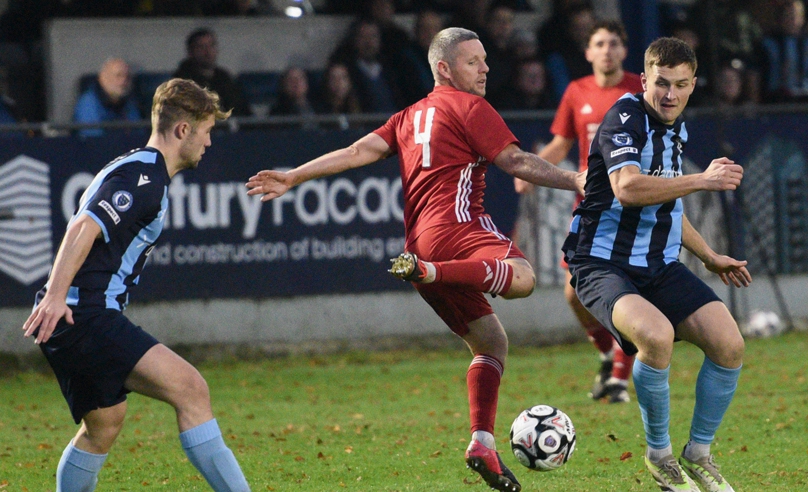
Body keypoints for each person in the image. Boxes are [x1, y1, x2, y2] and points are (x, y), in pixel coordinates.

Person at [247, 27, 583, 492]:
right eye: (474, 62)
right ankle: (434, 273)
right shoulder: (470, 107)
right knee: (524, 277)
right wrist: (578, 180)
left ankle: (482, 442)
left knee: (490, 343)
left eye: (485, 59)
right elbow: (517, 163)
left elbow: (356, 151)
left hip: (418, 246)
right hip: (458, 234)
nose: (485, 68)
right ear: (444, 68)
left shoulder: (408, 116)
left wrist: (295, 176)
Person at [22, 78, 250, 492]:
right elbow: (82, 227)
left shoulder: (140, 168)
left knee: (103, 426)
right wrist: (56, 297)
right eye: (207, 132)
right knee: (191, 389)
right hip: (84, 315)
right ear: (183, 130)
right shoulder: (145, 177)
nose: (209, 143)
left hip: (73, 317)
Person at [562, 37, 749, 492]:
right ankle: (660, 455)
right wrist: (702, 180)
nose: (670, 94)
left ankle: (699, 453)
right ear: (643, 79)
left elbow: (668, 207)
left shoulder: (675, 129)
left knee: (729, 344)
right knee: (656, 336)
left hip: (659, 264)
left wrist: (707, 256)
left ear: (692, 85)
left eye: (681, 85)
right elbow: (627, 188)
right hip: (602, 264)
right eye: (661, 83)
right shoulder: (623, 118)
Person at [515, 20, 643, 404]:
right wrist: (530, 171)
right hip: (591, 205)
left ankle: (619, 380)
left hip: (631, 204)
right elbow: (561, 143)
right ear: (588, 52)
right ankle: (608, 355)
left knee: (623, 290)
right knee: (574, 294)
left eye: (614, 43)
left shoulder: (640, 90)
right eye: (599, 43)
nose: (607, 50)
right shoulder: (576, 91)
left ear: (623, 50)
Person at [173, 28, 252, 117]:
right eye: (201, 47)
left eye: (211, 46)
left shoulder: (224, 78)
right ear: (191, 51)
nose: (207, 52)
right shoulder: (182, 81)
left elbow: (240, 108)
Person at [73, 57, 142, 137]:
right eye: (118, 76)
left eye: (127, 77)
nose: (123, 81)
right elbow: (93, 139)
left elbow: (138, 134)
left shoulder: (129, 102)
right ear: (103, 78)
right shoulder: (88, 103)